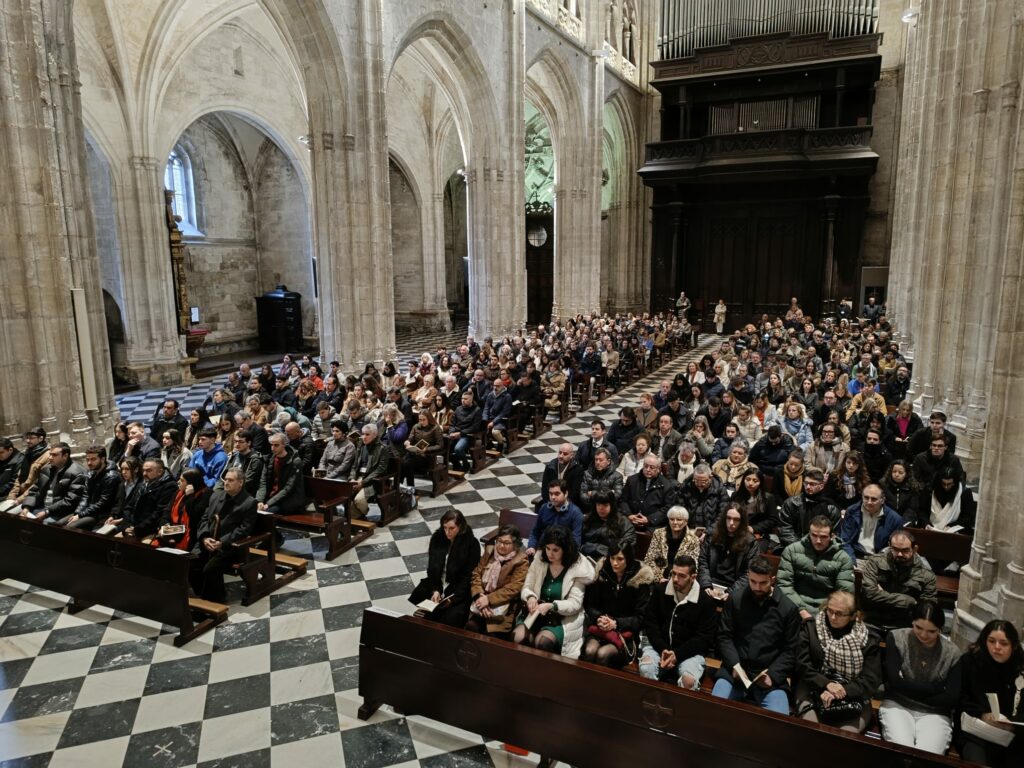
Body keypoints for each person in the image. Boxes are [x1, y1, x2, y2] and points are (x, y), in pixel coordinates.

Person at [711, 555, 802, 714]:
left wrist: (773, 675)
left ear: (772, 580)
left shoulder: (788, 609)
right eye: (753, 582)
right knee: (714, 708)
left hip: (768, 677)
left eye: (763, 583)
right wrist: (734, 665)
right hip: (736, 671)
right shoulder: (735, 599)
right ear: (748, 576)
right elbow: (724, 636)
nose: (757, 588)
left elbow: (790, 649)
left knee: (779, 721)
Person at [879, 601, 962, 754]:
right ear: (912, 622)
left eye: (931, 631)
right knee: (902, 749)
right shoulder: (897, 638)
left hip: (935, 712)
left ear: (941, 629)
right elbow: (894, 681)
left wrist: (905, 687)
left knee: (928, 754)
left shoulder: (952, 653)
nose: (924, 635)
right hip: (898, 705)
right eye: (918, 627)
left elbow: (951, 698)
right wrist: (935, 689)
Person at [795, 590, 882, 732]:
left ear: (854, 615)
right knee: (812, 730)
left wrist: (842, 691)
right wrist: (826, 684)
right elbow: (802, 665)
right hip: (812, 688)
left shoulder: (868, 639)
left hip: (854, 696)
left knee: (845, 737)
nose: (833, 617)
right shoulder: (811, 628)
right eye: (830, 611)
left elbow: (871, 680)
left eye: (840, 613)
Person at [514, 524, 595, 659]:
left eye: (555, 550)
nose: (550, 554)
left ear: (565, 549)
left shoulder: (578, 567)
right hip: (535, 615)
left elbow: (575, 604)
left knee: (542, 642)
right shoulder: (540, 559)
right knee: (518, 637)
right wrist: (530, 597)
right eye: (548, 548)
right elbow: (527, 586)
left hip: (561, 619)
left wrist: (553, 605)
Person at [955, 619, 1024, 768]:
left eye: (1003, 643)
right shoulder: (970, 662)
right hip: (976, 732)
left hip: (1012, 738)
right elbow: (960, 698)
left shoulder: (1020, 668)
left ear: (1014, 646)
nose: (996, 647)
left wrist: (1012, 724)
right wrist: (983, 715)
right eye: (991, 641)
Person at [189, 468, 258, 602]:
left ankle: (217, 599)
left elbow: (243, 530)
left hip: (230, 546)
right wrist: (204, 537)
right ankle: (201, 596)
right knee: (191, 564)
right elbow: (204, 519)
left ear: (240, 483)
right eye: (225, 479)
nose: (226, 482)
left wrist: (221, 542)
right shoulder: (216, 495)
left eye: (230, 480)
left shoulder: (249, 502)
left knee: (210, 569)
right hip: (208, 541)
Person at [581, 544, 656, 668]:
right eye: (612, 558)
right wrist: (599, 618)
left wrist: (615, 623)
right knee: (590, 651)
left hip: (625, 634)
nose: (614, 563)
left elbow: (641, 618)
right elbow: (590, 605)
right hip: (600, 628)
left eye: (620, 559)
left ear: (629, 559)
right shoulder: (603, 571)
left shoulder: (641, 579)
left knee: (602, 654)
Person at [409, 509, 479, 627]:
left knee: (451, 618)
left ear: (460, 527)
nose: (447, 532)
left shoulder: (471, 544)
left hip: (457, 588)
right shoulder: (437, 538)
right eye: (445, 527)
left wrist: (453, 598)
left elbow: (468, 576)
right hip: (439, 582)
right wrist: (435, 589)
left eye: (452, 528)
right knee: (424, 600)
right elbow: (432, 569)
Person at [778, 515, 855, 619]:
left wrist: (824, 613)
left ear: (832, 536)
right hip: (794, 606)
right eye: (814, 535)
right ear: (809, 533)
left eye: (823, 537)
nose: (818, 541)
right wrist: (801, 610)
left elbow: (844, 593)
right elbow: (784, 585)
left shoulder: (843, 559)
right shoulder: (792, 551)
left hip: (827, 612)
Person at [860, 529, 938, 631]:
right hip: (873, 620)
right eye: (895, 549)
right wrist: (908, 601)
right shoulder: (875, 562)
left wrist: (881, 594)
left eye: (905, 550)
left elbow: (926, 607)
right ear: (889, 546)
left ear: (915, 549)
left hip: (905, 624)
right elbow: (869, 593)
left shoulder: (926, 574)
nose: (900, 554)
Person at [465, 524, 529, 636]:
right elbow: (476, 575)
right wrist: (480, 596)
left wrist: (488, 600)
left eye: (507, 543)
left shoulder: (521, 560)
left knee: (492, 636)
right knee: (471, 627)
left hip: (502, 608)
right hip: (481, 602)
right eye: (499, 541)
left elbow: (513, 588)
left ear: (515, 544)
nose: (501, 546)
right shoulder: (490, 552)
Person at [698, 502, 758, 599]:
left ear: (742, 522)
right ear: (723, 519)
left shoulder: (750, 542)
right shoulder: (712, 537)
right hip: (711, 582)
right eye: (728, 518)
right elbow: (702, 562)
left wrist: (731, 592)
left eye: (736, 520)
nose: (731, 523)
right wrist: (706, 585)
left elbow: (749, 572)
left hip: (735, 586)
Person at [55, 445, 121, 530]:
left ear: (103, 459)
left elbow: (102, 503)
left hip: (101, 514)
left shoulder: (111, 476)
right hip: (88, 510)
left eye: (93, 459)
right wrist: (78, 513)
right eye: (87, 459)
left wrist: (80, 515)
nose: (89, 463)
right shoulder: (91, 473)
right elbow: (85, 496)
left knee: (70, 527)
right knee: (58, 524)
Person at [18, 442, 87, 523]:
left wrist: (47, 512)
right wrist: (27, 507)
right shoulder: (47, 469)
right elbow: (34, 490)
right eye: (50, 454)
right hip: (41, 506)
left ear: (65, 456)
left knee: (41, 525)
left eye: (54, 455)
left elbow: (70, 501)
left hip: (59, 511)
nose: (50, 457)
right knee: (18, 517)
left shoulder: (77, 473)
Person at [837, 483, 904, 561]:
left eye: (874, 499)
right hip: (855, 555)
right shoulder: (852, 511)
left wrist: (879, 561)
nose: (869, 502)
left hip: (879, 559)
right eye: (866, 498)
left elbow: (893, 547)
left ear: (882, 500)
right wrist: (851, 560)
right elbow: (845, 540)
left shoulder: (895, 519)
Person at [777, 467, 841, 548]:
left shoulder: (831, 508)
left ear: (821, 486)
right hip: (794, 546)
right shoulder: (791, 503)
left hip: (820, 549)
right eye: (806, 483)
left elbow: (834, 534)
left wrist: (817, 547)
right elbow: (784, 529)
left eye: (812, 484)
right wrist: (800, 546)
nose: (807, 487)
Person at [911, 465, 977, 535]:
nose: (946, 487)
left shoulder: (964, 493)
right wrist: (926, 524)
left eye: (949, 484)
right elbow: (922, 510)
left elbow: (968, 517)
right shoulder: (930, 490)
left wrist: (952, 526)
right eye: (943, 483)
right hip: (930, 529)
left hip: (953, 532)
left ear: (954, 482)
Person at [122, 458, 177, 541]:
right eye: (143, 470)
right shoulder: (143, 483)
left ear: (160, 472)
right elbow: (129, 506)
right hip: (132, 527)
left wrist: (137, 529)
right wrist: (126, 526)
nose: (144, 474)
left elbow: (159, 513)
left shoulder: (169, 486)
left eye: (148, 471)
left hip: (150, 530)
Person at [346, 423, 391, 519]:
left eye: (367, 434)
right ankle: (358, 519)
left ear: (375, 435)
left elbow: (380, 470)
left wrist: (363, 482)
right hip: (358, 478)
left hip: (373, 480)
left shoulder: (383, 448)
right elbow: (354, 465)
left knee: (359, 500)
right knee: (345, 496)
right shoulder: (360, 445)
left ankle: (361, 517)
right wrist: (352, 478)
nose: (363, 437)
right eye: (363, 434)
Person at [527, 479, 583, 556]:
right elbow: (535, 531)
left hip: (563, 554)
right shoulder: (544, 508)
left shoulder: (575, 513)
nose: (553, 497)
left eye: (557, 494)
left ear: (566, 493)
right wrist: (531, 546)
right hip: (542, 550)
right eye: (551, 494)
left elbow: (576, 542)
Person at [643, 505, 701, 579]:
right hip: (656, 576)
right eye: (672, 519)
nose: (675, 522)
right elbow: (649, 559)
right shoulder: (658, 533)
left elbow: (691, 566)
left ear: (686, 522)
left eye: (679, 519)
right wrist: (658, 577)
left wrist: (672, 579)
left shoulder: (693, 539)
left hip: (679, 578)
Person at [620, 454, 676, 530]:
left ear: (658, 469)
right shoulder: (632, 480)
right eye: (646, 466)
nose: (648, 469)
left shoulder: (667, 485)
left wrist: (649, 519)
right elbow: (623, 500)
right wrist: (629, 515)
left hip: (653, 525)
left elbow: (668, 508)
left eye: (652, 467)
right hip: (630, 520)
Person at [256, 432, 306, 516]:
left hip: (288, 500)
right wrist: (260, 501)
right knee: (250, 509)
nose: (272, 448)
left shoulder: (295, 461)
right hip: (271, 498)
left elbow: (288, 488)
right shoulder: (269, 459)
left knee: (265, 514)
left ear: (284, 445)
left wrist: (268, 504)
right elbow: (263, 482)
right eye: (271, 445)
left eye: (276, 445)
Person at [159, 468, 209, 551]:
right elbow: (167, 511)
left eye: (182, 480)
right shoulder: (178, 492)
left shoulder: (206, 495)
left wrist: (190, 496)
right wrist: (165, 525)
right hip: (174, 530)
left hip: (191, 535)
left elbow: (194, 516)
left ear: (191, 484)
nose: (178, 482)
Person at [580, 491, 636, 559]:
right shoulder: (588, 520)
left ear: (612, 506)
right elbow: (579, 542)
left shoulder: (622, 521)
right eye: (598, 504)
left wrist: (603, 550)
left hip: (611, 560)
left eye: (605, 505)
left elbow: (628, 543)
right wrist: (596, 548)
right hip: (587, 558)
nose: (601, 508)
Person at [677, 463, 729, 530]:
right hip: (688, 528)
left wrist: (709, 531)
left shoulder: (720, 489)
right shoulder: (685, 487)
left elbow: (722, 514)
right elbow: (680, 509)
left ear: (710, 477)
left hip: (712, 529)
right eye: (696, 481)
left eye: (704, 481)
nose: (700, 484)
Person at [731, 467, 778, 541]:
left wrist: (753, 528)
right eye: (748, 479)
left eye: (755, 480)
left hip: (759, 534)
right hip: (737, 532)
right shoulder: (735, 496)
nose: (750, 483)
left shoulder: (768, 498)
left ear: (760, 482)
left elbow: (773, 520)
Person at [401, 410, 443, 488]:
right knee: (402, 462)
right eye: (420, 420)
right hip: (415, 454)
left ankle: (410, 487)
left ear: (429, 419)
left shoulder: (435, 428)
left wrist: (426, 449)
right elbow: (410, 438)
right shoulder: (416, 427)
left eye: (424, 420)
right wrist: (407, 442)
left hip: (427, 456)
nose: (422, 422)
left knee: (406, 463)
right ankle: (400, 486)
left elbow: (440, 445)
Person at [539, 442, 584, 508]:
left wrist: (564, 505)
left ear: (571, 455)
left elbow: (575, 492)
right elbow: (545, 488)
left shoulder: (577, 469)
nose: (561, 456)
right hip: (551, 501)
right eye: (560, 453)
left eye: (565, 454)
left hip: (568, 504)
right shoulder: (550, 467)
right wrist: (550, 503)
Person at [447, 389, 482, 473]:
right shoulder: (458, 409)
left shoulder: (477, 410)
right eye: (462, 398)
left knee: (458, 449)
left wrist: (460, 433)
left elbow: (475, 427)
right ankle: (456, 463)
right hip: (455, 433)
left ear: (471, 400)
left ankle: (466, 464)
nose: (463, 400)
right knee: (444, 447)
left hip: (467, 435)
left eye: (465, 399)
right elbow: (452, 423)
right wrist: (452, 432)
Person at [881, 459, 920, 523]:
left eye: (900, 472)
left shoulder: (913, 487)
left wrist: (902, 522)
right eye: (894, 471)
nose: (896, 474)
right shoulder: (883, 485)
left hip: (905, 521)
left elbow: (912, 508)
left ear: (906, 474)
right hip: (886, 519)